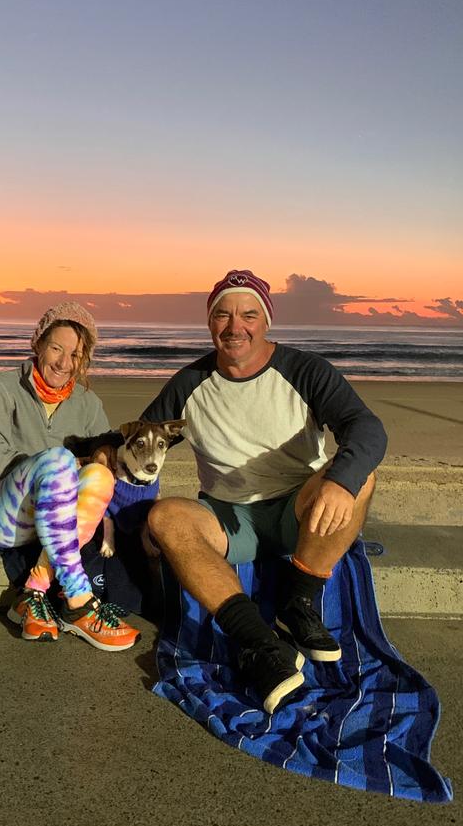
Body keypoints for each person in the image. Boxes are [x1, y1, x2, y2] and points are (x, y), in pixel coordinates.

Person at [142, 269, 387, 712]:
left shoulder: (305, 370)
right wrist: (131, 506)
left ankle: (298, 602)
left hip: (300, 512)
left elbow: (366, 429)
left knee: (360, 475)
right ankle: (261, 644)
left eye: (249, 315)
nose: (236, 327)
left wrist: (339, 481)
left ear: (266, 321)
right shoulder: (189, 383)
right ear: (210, 323)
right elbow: (138, 445)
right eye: (223, 315)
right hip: (227, 517)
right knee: (164, 518)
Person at [0, 301, 140, 651]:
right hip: (5, 517)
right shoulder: (0, 388)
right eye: (56, 348)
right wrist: (51, 467)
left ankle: (34, 590)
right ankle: (79, 603)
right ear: (38, 343)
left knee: (100, 476)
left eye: (75, 355)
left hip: (57, 523)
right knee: (61, 460)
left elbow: (101, 464)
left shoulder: (87, 403)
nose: (64, 363)